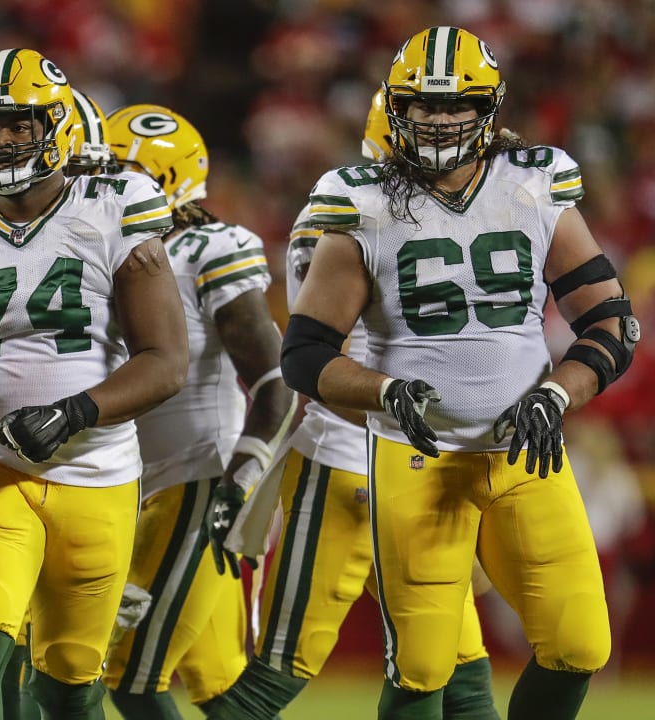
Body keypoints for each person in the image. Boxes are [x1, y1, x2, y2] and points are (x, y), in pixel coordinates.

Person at [281, 26, 629, 720]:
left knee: (580, 644)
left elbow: (610, 320)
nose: (438, 121)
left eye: (456, 105)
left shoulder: (533, 187)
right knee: (423, 666)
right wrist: (384, 390)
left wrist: (558, 393)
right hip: (418, 459)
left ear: (489, 107)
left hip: (528, 455)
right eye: (422, 105)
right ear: (395, 109)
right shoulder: (362, 202)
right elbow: (306, 352)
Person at [0, 48, 189, 720]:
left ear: (56, 126)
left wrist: (77, 412)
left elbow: (166, 360)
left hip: (97, 472)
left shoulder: (115, 207)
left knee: (67, 683)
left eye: (18, 124)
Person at [202, 89, 498, 720]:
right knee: (284, 665)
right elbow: (317, 355)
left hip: (410, 460)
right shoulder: (350, 212)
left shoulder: (438, 213)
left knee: (457, 664)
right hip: (353, 457)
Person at [97, 103, 296, 719]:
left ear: (163, 182)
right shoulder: (102, 250)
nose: (99, 186)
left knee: (131, 676)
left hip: (201, 480)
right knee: (220, 685)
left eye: (118, 173)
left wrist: (243, 477)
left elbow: (274, 382)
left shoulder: (207, 247)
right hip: (142, 486)